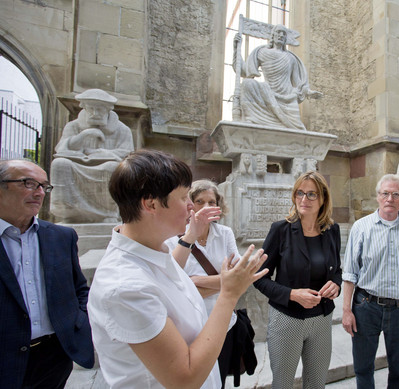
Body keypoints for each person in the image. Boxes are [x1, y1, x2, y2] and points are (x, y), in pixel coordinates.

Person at [87, 149, 268, 388]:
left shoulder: (154, 249)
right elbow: (185, 378)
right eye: (184, 198)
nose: (192, 206)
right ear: (151, 204)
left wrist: (191, 237)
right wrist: (229, 294)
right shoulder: (125, 286)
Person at [0, 159, 94, 388]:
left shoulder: (62, 236)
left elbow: (79, 287)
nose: (40, 193)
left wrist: (79, 322)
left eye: (44, 186)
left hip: (54, 356)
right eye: (29, 183)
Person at [253, 171, 341, 389]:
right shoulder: (280, 230)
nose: (304, 199)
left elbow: (337, 269)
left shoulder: (332, 230)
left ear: (323, 199)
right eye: (300, 193)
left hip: (322, 319)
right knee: (282, 384)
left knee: (316, 384)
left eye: (312, 194)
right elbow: (259, 278)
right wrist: (292, 294)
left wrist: (336, 284)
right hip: (287, 319)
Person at [342, 174, 399, 389]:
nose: (390, 198)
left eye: (395, 194)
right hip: (366, 307)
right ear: (378, 197)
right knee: (363, 368)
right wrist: (346, 311)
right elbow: (350, 273)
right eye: (385, 193)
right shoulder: (361, 227)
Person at [166, 179, 241, 387]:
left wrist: (194, 282)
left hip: (224, 323)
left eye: (211, 202)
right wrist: (223, 282)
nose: (206, 207)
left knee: (220, 380)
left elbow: (238, 277)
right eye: (200, 201)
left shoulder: (225, 234)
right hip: (189, 328)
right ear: (190, 204)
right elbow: (172, 286)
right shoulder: (174, 237)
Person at [50, 88, 134, 223]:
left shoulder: (122, 129)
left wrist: (104, 153)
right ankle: (69, 212)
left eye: (100, 110)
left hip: (107, 165)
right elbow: (61, 149)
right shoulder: (73, 126)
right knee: (60, 164)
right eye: (91, 109)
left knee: (112, 168)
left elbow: (128, 153)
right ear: (84, 108)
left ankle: (108, 213)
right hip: (78, 164)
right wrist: (83, 136)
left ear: (108, 110)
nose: (95, 113)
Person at [233, 24, 322, 130]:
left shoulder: (290, 58)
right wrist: (236, 49)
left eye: (284, 33)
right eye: (278, 32)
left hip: (287, 98)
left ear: (286, 38)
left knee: (296, 127)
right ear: (272, 35)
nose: (281, 35)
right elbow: (244, 71)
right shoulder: (262, 52)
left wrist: (308, 92)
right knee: (247, 83)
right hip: (267, 94)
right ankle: (253, 118)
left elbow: (298, 82)